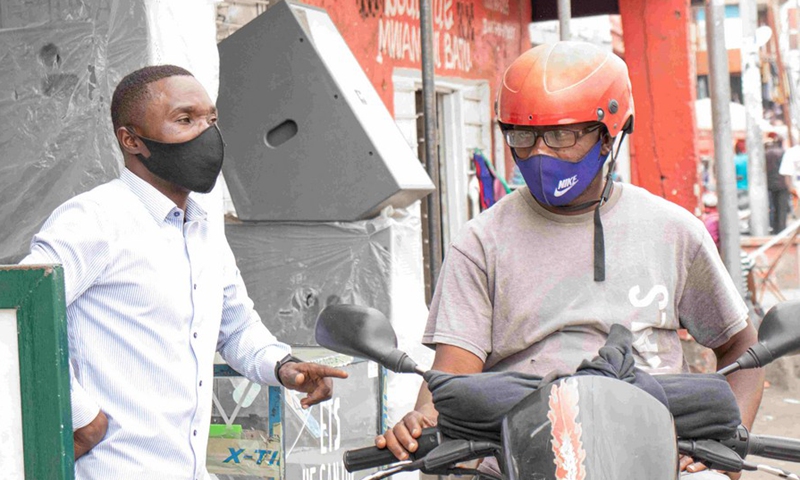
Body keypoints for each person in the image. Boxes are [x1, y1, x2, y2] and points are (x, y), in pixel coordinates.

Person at [375, 42, 763, 479]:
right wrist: (425, 416)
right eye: (523, 136)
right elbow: (454, 378)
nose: (540, 154)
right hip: (514, 461)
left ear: (610, 132)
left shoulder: (672, 231)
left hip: (654, 456)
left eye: (562, 135)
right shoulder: (482, 242)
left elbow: (740, 347)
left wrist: (728, 443)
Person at [20, 65, 348, 479]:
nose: (207, 135)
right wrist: (82, 419)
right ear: (132, 140)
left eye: (211, 119)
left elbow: (237, 327)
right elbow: (18, 317)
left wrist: (284, 366)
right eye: (185, 119)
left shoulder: (203, 227)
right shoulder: (93, 220)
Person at [766, 132, 790, 233]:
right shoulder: (783, 153)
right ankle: (781, 228)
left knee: (773, 207)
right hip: (782, 183)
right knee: (782, 208)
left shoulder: (766, 153)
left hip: (770, 183)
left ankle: (774, 227)